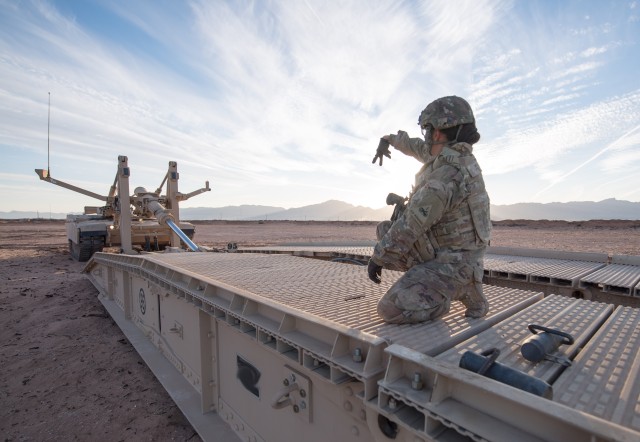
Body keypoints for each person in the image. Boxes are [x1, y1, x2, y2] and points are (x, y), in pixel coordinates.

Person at [368, 96, 491, 324]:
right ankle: (449, 283)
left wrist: (377, 259)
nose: (425, 137)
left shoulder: (447, 176)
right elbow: (415, 147)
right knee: (385, 229)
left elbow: (410, 226)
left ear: (436, 133)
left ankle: (455, 291)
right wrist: (387, 140)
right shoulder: (453, 155)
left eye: (427, 130)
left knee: (390, 310)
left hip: (453, 264)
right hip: (452, 253)